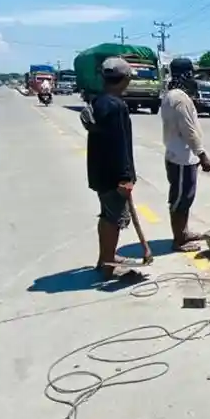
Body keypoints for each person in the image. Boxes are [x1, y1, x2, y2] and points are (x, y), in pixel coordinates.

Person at [80, 57, 140, 278]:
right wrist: (125, 177)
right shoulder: (116, 106)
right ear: (123, 79)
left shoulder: (98, 102)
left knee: (107, 215)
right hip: (113, 175)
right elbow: (119, 145)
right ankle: (108, 264)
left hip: (100, 172)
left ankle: (106, 257)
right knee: (113, 219)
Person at [161, 57, 210, 252]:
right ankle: (179, 240)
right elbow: (188, 130)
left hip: (177, 154)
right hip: (182, 157)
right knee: (180, 200)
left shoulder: (171, 95)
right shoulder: (180, 99)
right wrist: (202, 154)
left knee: (185, 198)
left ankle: (183, 232)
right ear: (186, 74)